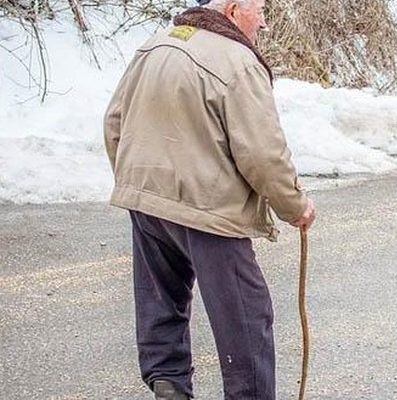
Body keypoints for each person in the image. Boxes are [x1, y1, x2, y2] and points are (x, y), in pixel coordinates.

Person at [103, 0, 315, 397]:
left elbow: (115, 121)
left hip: (147, 201)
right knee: (246, 316)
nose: (265, 22)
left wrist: (140, 182)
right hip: (209, 210)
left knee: (163, 302)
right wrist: (295, 205)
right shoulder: (237, 61)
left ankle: (168, 386)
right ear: (234, 10)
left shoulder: (156, 44)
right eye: (261, 9)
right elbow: (263, 154)